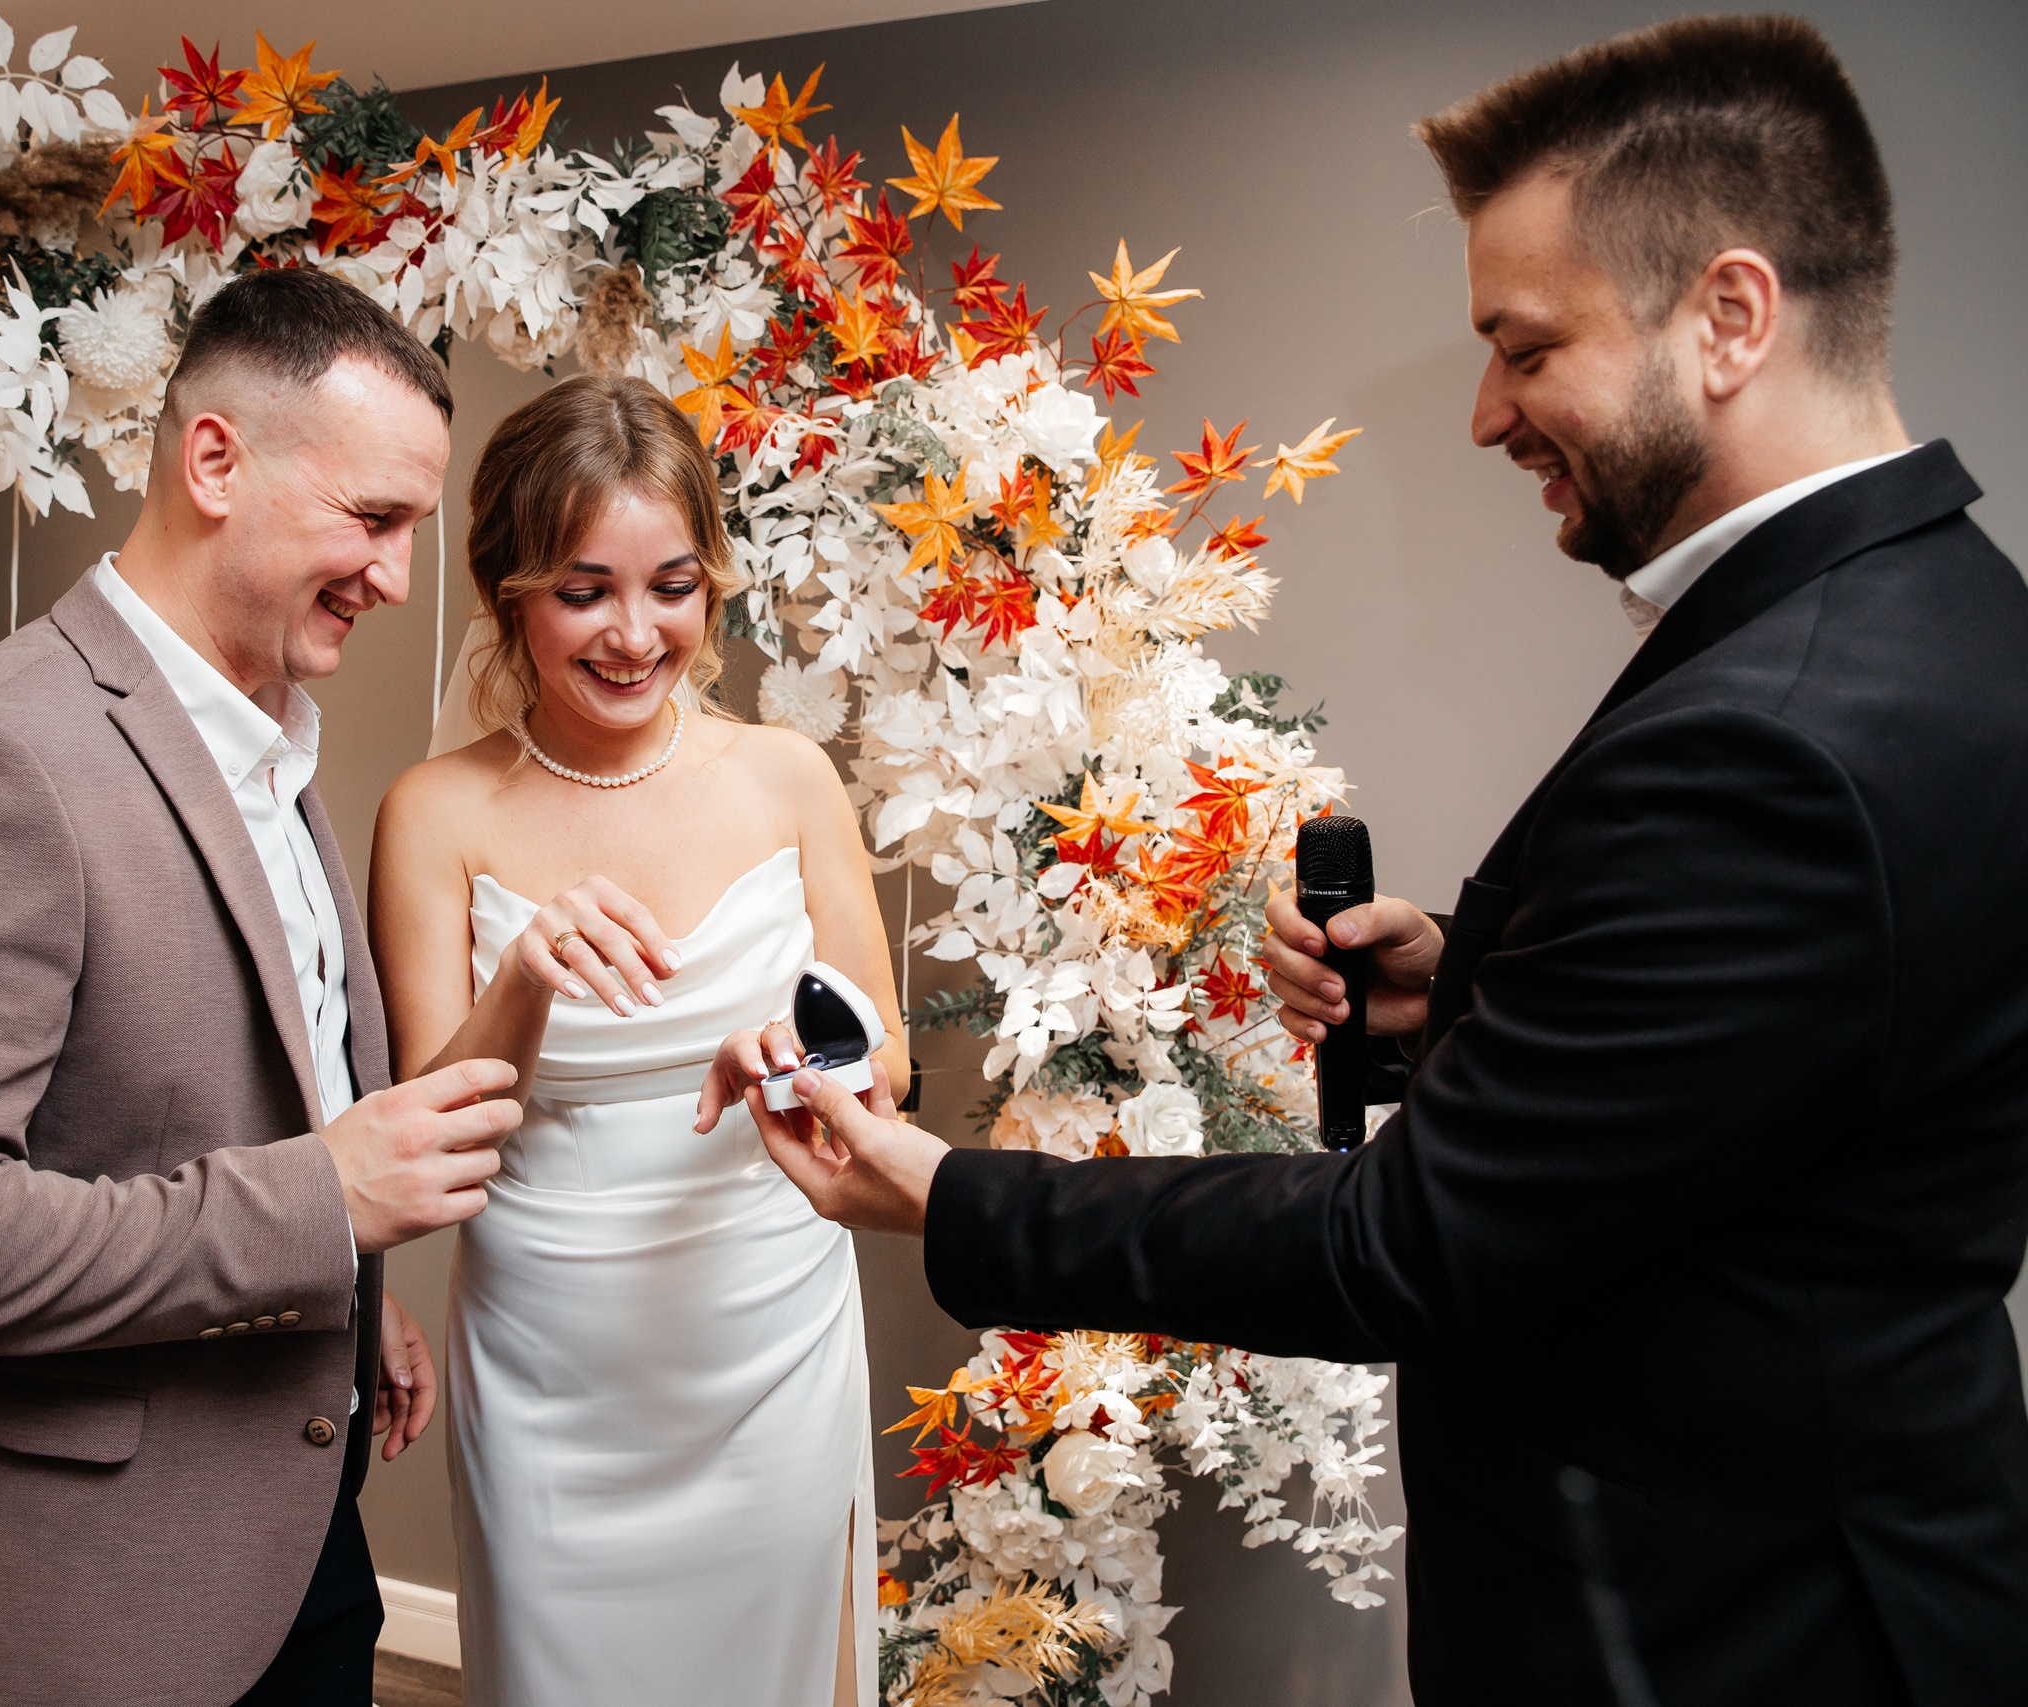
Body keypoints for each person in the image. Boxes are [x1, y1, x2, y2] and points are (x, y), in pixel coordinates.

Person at [742, 18, 2028, 1707]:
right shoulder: (1953, 612)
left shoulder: (1771, 734)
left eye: (1527, 345)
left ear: (1730, 317)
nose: (1490, 413)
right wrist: (1470, 996)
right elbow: (1767, 1082)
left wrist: (945, 1189)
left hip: (1720, 1631)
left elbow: (1399, 1248)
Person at [0, 269, 521, 1706]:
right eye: (373, 518)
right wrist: (322, 1206)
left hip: (291, 1536)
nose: (395, 577)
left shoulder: (270, 739)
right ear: (215, 463)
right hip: (71, 1606)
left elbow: (221, 1095)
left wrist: (347, 1293)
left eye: (411, 530)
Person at [368, 374, 905, 1707]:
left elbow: (883, 1058)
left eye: (671, 586)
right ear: (509, 592)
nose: (632, 633)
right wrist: (527, 977)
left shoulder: (786, 775)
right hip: (551, 1365)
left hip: (767, 1332)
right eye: (583, 590)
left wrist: (797, 1058)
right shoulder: (435, 810)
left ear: (710, 585)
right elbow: (425, 1128)